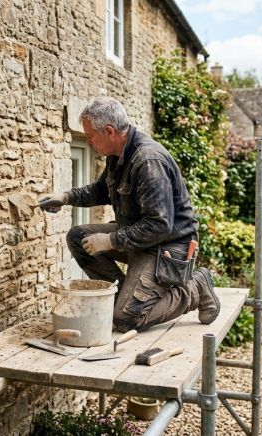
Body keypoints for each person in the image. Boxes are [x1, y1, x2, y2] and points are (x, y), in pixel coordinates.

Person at [39, 97, 219, 333]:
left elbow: (159, 225)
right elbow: (101, 190)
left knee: (126, 321)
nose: (90, 141)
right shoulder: (117, 156)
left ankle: (195, 287)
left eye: (91, 136)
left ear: (110, 131)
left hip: (167, 247)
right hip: (138, 236)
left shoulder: (147, 161)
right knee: (78, 237)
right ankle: (127, 297)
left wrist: (110, 241)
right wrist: (65, 197)